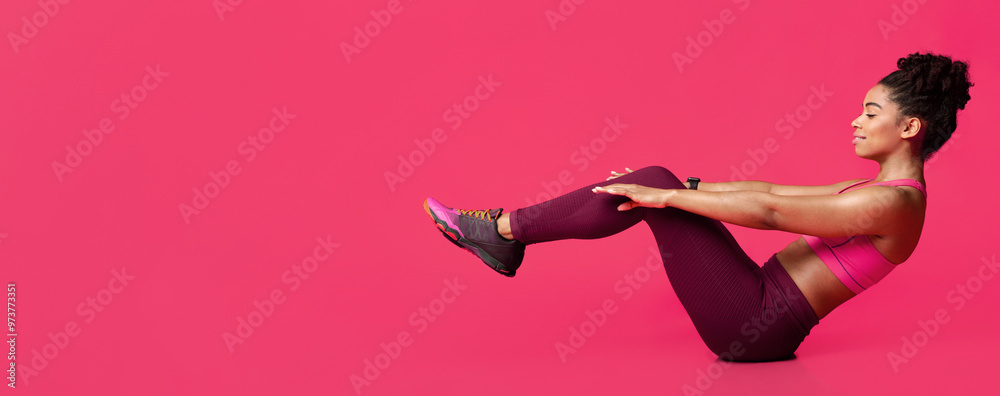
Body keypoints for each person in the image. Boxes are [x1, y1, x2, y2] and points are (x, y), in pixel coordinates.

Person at [421, 52, 973, 362]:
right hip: (757, 306)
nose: (855, 120)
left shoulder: (893, 205)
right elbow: (773, 192)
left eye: (870, 112)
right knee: (657, 180)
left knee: (655, 184)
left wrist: (664, 196)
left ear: (909, 127)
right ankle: (504, 233)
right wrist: (683, 185)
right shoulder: (875, 192)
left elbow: (772, 216)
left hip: (757, 323)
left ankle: (501, 232)